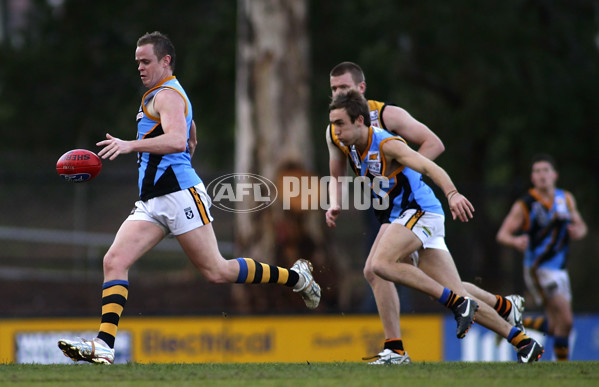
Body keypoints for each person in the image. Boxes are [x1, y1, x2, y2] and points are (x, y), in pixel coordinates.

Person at [57, 31, 321, 365]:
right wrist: (186, 142)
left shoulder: (166, 95)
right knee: (114, 260)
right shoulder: (164, 95)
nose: (139, 67)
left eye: (146, 61)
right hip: (153, 202)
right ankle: (105, 343)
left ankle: (297, 278)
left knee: (217, 271)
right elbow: (189, 134)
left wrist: (130, 145)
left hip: (179, 196)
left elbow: (178, 140)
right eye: (137, 61)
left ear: (166, 61)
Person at [325, 89, 544, 363]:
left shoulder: (386, 144)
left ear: (360, 121)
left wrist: (452, 193)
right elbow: (337, 174)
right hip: (404, 216)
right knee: (455, 290)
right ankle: (523, 340)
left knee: (378, 265)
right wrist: (334, 203)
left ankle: (440, 317)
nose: (335, 130)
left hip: (420, 211)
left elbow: (429, 168)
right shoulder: (340, 140)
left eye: (340, 123)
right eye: (333, 123)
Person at [496, 154, 587, 361]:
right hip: (539, 268)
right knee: (567, 320)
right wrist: (515, 241)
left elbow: (581, 226)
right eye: (537, 171)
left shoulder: (566, 198)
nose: (541, 175)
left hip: (560, 268)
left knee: (556, 326)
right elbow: (502, 234)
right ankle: (563, 368)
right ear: (532, 178)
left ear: (555, 174)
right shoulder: (525, 204)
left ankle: (512, 325)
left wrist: (578, 231)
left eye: (545, 170)